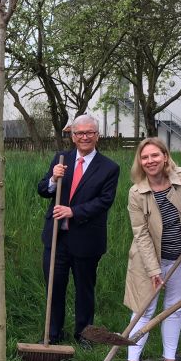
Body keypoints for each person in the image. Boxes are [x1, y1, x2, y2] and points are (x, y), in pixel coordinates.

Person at [117, 137, 181, 361]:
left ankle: (169, 360)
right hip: (148, 261)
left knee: (174, 309)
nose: (150, 161)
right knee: (143, 310)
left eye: (155, 155)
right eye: (144, 157)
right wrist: (154, 269)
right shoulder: (136, 193)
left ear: (165, 156)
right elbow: (141, 234)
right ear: (140, 162)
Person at [37, 114, 119, 346]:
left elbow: (104, 201)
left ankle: (84, 334)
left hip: (86, 239)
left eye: (89, 133)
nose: (84, 137)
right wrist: (53, 178)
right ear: (72, 136)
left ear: (97, 136)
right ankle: (53, 334)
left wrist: (74, 212)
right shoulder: (61, 159)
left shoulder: (109, 167)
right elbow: (43, 189)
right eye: (79, 133)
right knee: (54, 287)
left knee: (84, 289)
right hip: (56, 237)